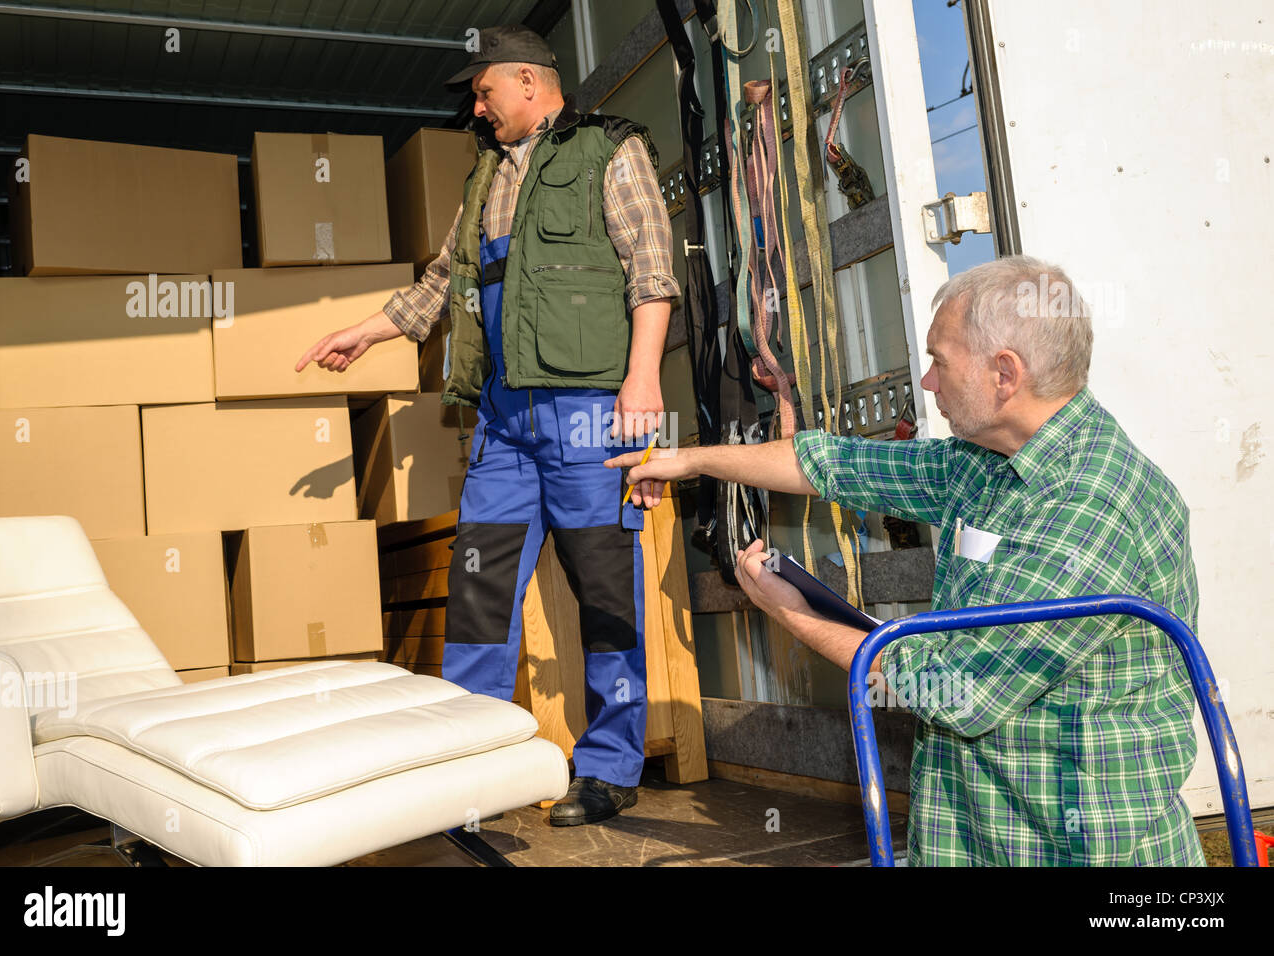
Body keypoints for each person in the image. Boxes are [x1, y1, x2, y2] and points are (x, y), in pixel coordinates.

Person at [608, 256, 1207, 865]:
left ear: (1005, 373)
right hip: (972, 838)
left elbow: (957, 691)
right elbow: (835, 466)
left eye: (940, 361)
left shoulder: (1088, 510)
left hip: (1066, 851)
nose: (926, 381)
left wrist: (793, 612)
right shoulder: (988, 461)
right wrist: (689, 462)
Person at [296, 25, 679, 827]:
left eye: (484, 91)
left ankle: (608, 767)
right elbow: (440, 284)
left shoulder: (610, 150)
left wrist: (643, 378)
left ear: (530, 83)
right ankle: (465, 769)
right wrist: (362, 331)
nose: (477, 107)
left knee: (606, 593)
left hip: (586, 413)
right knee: (479, 593)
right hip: (503, 421)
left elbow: (650, 266)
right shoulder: (485, 178)